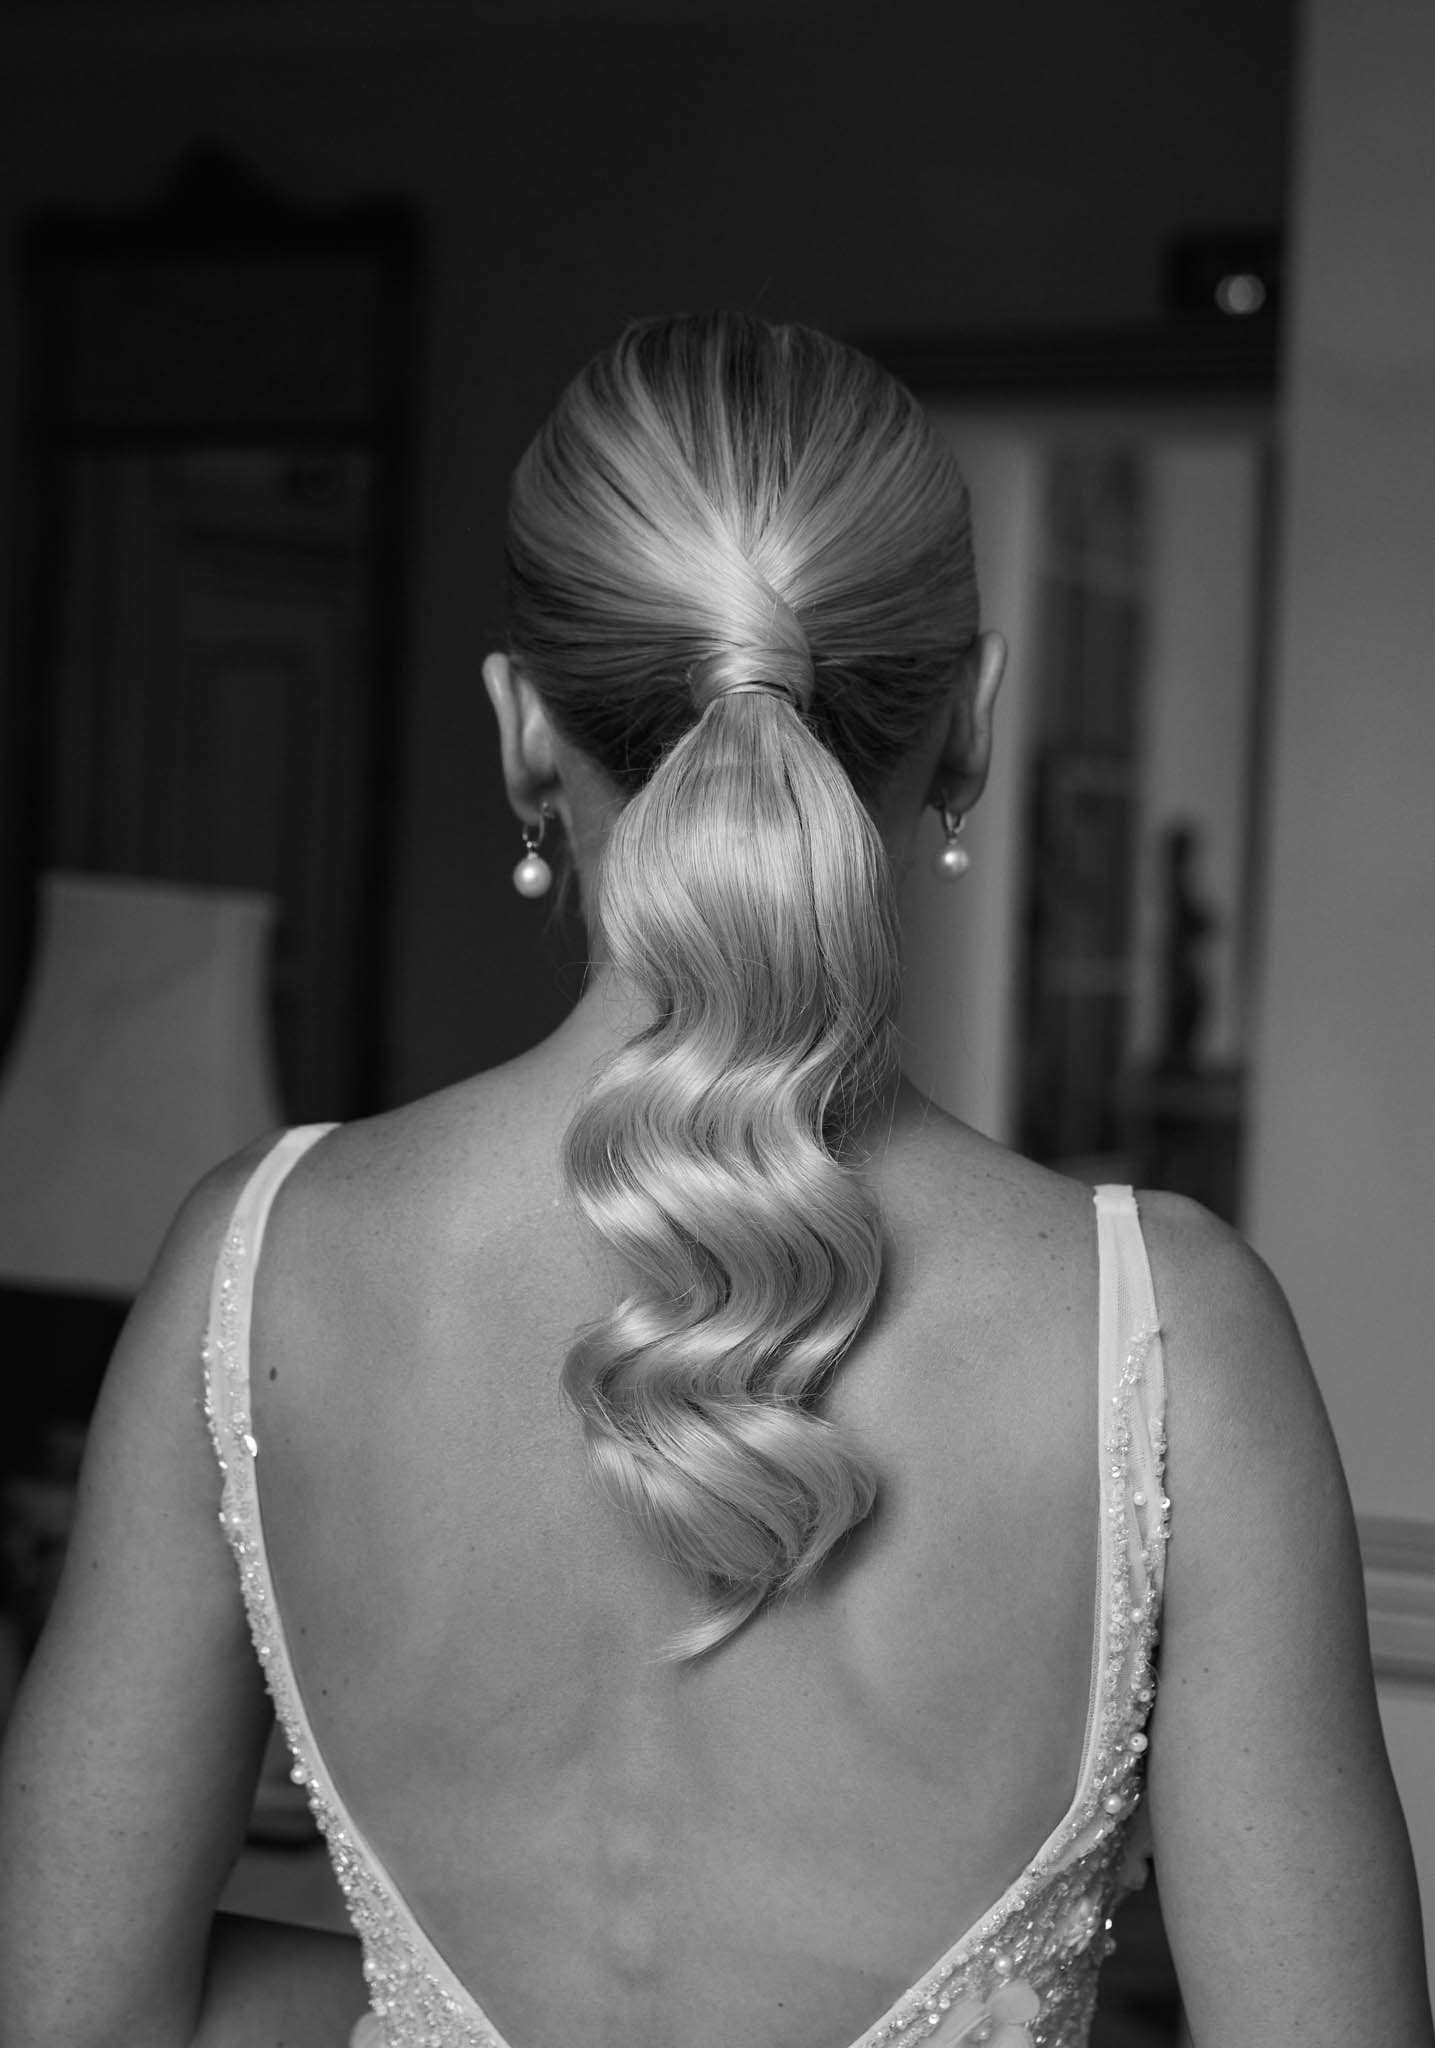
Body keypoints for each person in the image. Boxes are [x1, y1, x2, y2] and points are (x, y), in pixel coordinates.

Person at [0, 312, 1429, 2048]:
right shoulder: (1174, 1333)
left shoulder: (259, 1268)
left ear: (524, 730)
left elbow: (70, 2016)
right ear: (968, 725)